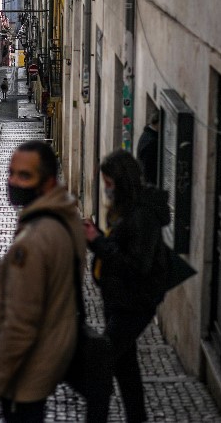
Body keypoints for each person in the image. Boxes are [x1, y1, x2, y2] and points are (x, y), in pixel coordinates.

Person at [0, 140, 84, 423]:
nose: (13, 182)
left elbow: (19, 327)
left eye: (24, 176)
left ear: (48, 182)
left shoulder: (31, 243)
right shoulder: (67, 218)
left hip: (25, 373)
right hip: (48, 359)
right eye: (11, 173)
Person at [82, 150, 170, 423]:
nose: (106, 189)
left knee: (101, 364)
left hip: (134, 304)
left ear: (122, 181)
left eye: (108, 183)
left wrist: (96, 240)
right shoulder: (125, 209)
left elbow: (136, 265)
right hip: (117, 300)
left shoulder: (142, 215)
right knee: (126, 369)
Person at [135, 111, 160, 186]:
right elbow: (148, 166)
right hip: (151, 181)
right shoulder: (152, 141)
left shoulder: (146, 134)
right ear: (158, 123)